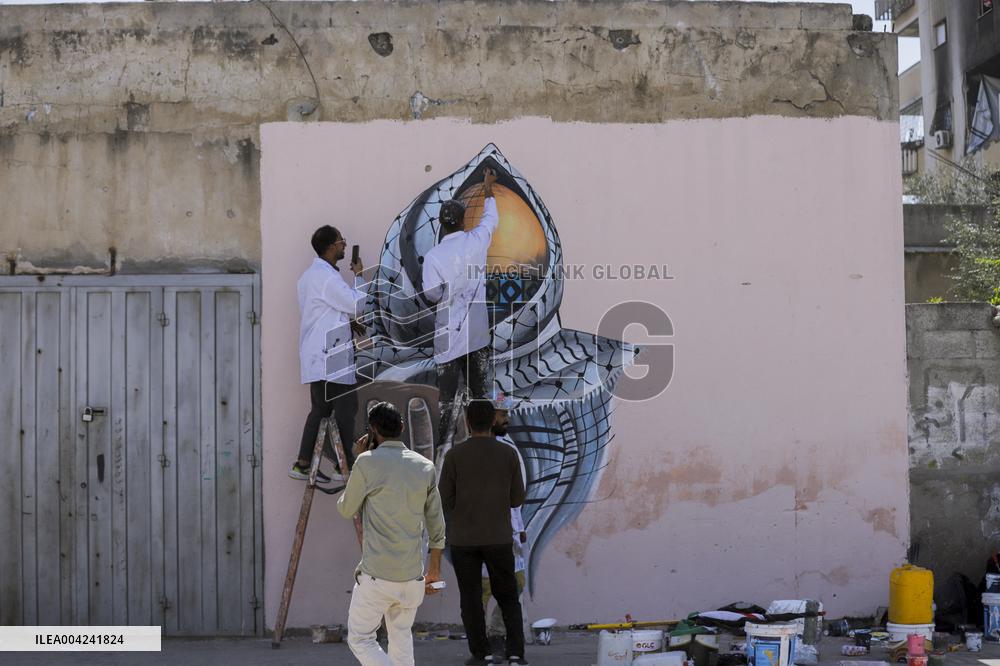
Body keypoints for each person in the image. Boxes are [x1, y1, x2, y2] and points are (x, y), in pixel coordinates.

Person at [337, 401, 446, 666]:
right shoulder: (424, 466)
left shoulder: (366, 463)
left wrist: (360, 462)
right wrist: (434, 571)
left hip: (377, 575)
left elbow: (346, 508)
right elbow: (436, 524)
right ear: (402, 427)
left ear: (373, 430)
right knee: (401, 638)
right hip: (411, 576)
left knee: (361, 639)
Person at [439, 400, 528, 666]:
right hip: (499, 538)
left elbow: (444, 499)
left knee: (471, 599)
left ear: (466, 422)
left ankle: (482, 654)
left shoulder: (455, 455)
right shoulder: (508, 455)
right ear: (491, 422)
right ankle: (514, 654)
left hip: (464, 539)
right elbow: (517, 499)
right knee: (509, 597)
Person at [421, 167, 500, 453]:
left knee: (447, 401)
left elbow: (432, 294)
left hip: (447, 339)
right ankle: (485, 447)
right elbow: (491, 219)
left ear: (441, 224)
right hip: (477, 336)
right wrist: (488, 188)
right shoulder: (476, 241)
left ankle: (445, 449)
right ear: (463, 220)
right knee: (480, 396)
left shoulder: (433, 257)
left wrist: (448, 295)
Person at [293, 225, 365, 483]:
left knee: (320, 410)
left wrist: (347, 323)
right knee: (347, 408)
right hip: (330, 357)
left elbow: (324, 313)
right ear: (330, 247)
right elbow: (357, 304)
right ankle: (343, 464)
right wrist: (359, 276)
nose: (344, 245)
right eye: (341, 241)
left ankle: (302, 463)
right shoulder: (326, 277)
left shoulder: (309, 277)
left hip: (317, 355)